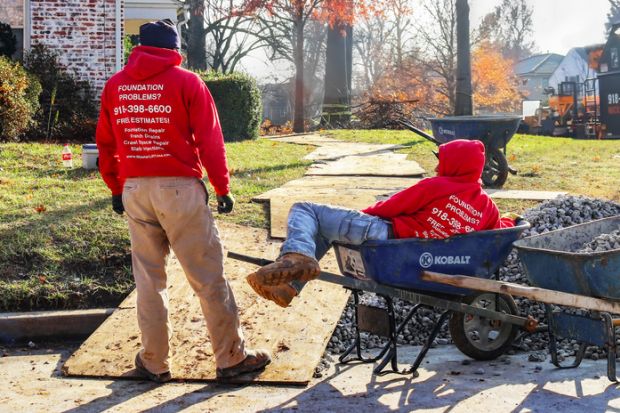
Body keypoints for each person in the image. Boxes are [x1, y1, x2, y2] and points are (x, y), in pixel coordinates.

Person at [96, 19, 270, 383]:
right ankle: (231, 358)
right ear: (175, 48)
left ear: (139, 47)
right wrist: (222, 187)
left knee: (148, 281)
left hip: (134, 190)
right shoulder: (187, 82)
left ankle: (154, 361)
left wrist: (116, 187)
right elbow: (209, 140)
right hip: (179, 191)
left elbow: (106, 144)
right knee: (208, 277)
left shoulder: (116, 86)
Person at [247, 139, 515, 307]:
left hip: (385, 239)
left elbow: (393, 206)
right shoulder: (487, 207)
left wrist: (360, 214)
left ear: (455, 165)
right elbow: (497, 231)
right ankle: (288, 286)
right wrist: (511, 221)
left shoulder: (438, 185)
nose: (436, 168)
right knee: (323, 230)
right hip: (419, 255)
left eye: (442, 162)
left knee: (305, 210)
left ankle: (297, 256)